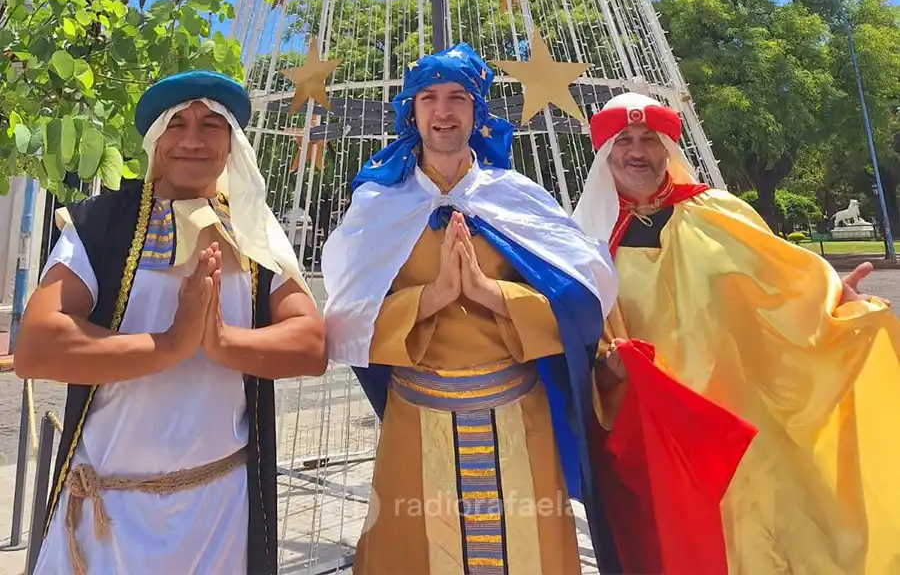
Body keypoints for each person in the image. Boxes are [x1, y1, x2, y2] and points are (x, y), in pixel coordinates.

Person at [320, 44, 755, 574]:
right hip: (416, 416)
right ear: (411, 111)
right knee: (413, 551)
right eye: (428, 97)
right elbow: (346, 320)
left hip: (516, 416)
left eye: (458, 97)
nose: (443, 111)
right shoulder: (377, 205)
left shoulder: (517, 197)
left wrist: (492, 293)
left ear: (477, 111)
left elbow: (581, 300)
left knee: (530, 550)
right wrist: (428, 299)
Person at [572, 91, 900, 574]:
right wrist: (609, 363)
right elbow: (582, 341)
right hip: (666, 436)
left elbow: (782, 286)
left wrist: (834, 304)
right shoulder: (586, 242)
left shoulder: (719, 212)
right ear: (605, 153)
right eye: (624, 141)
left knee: (773, 536)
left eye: (649, 139)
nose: (637, 152)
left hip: (745, 422)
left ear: (668, 150)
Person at [15, 70, 328, 575]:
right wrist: (169, 345)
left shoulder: (255, 232)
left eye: (211, 124)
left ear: (231, 143)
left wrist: (221, 341)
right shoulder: (98, 224)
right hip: (106, 516)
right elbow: (37, 346)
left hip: (219, 514)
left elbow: (311, 345)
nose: (192, 139)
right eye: (176, 123)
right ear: (156, 139)